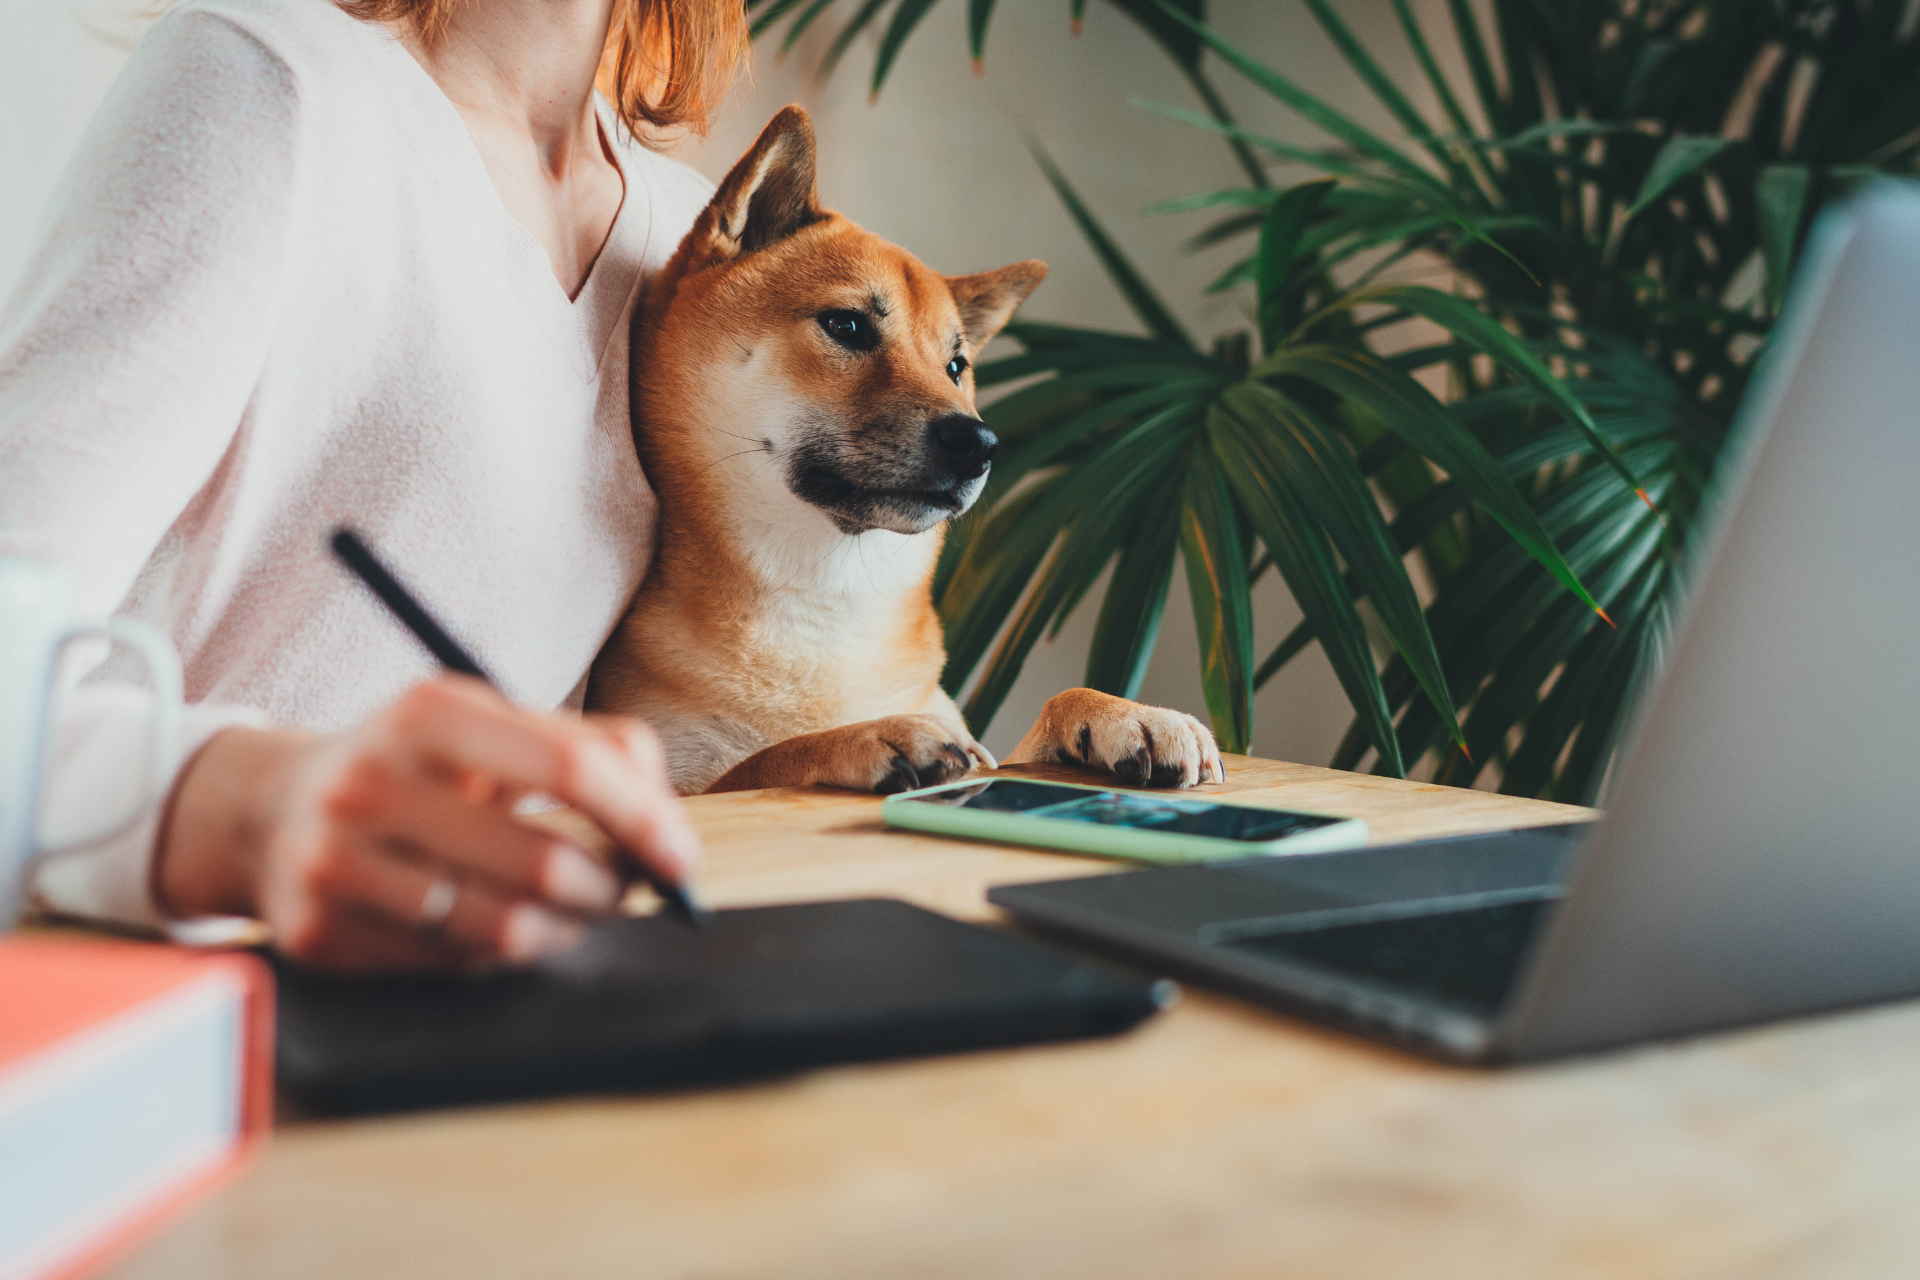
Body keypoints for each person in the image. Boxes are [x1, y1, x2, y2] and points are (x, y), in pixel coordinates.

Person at [0, 0, 747, 969]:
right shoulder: (269, 79)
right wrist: (238, 810)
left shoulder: (690, 233)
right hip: (193, 997)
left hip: (499, 991)